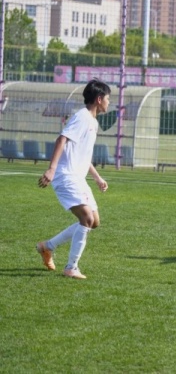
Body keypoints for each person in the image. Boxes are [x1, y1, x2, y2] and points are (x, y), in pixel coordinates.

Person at [36, 79, 111, 280]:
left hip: (78, 178)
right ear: (99, 99)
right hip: (66, 176)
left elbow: (83, 156)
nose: (109, 102)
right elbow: (62, 139)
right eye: (108, 98)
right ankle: (71, 267)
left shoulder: (93, 122)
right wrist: (51, 169)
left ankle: (47, 247)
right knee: (86, 218)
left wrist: (97, 178)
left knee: (93, 222)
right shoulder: (82, 117)